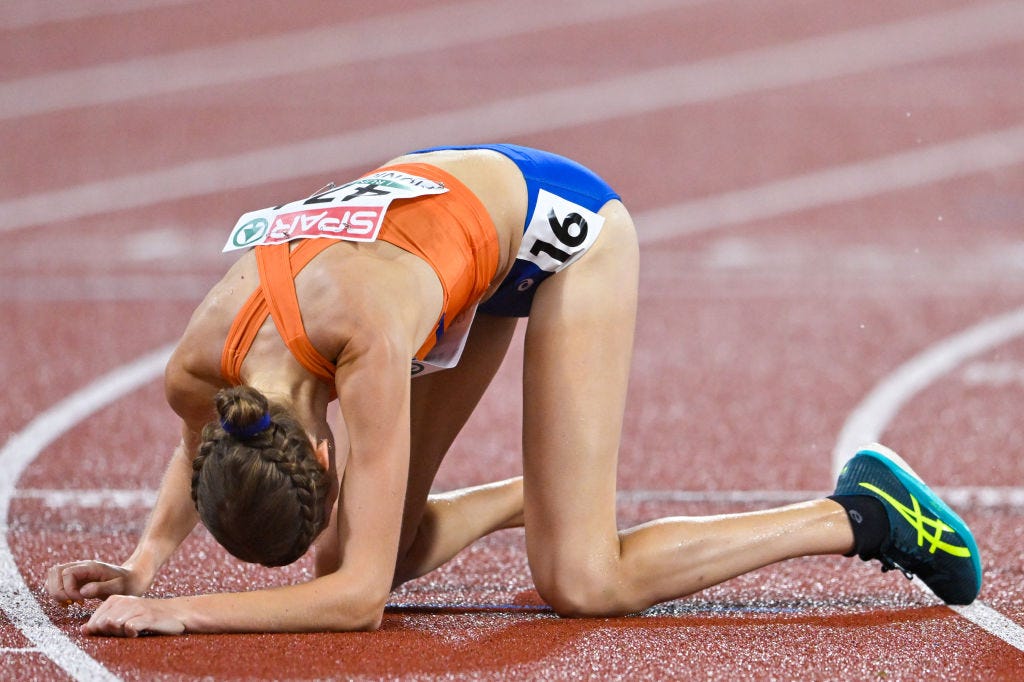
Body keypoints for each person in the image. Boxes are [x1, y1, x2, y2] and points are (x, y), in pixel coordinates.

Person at [45, 144, 982, 637]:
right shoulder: (198, 369)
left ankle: (862, 512)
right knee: (343, 555)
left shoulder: (365, 346)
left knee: (582, 580)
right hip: (445, 226)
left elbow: (360, 601)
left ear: (330, 450)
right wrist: (142, 565)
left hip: (554, 230)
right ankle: (543, 496)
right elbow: (195, 447)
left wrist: (180, 613)